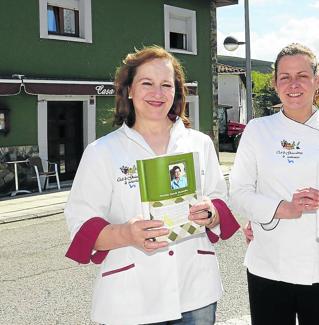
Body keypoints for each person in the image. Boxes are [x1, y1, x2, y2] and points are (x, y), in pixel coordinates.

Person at [63, 45, 240, 325]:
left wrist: (210, 212)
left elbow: (220, 200)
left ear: (176, 92)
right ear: (129, 90)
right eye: (147, 83)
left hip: (195, 293)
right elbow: (80, 224)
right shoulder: (102, 151)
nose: (157, 93)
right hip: (131, 299)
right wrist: (126, 234)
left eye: (166, 85)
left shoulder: (200, 143)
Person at [229, 43, 319, 325]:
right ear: (274, 83)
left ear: (317, 79)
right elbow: (238, 193)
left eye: (302, 76)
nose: (293, 84)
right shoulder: (258, 130)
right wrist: (282, 208)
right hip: (269, 265)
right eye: (285, 77)